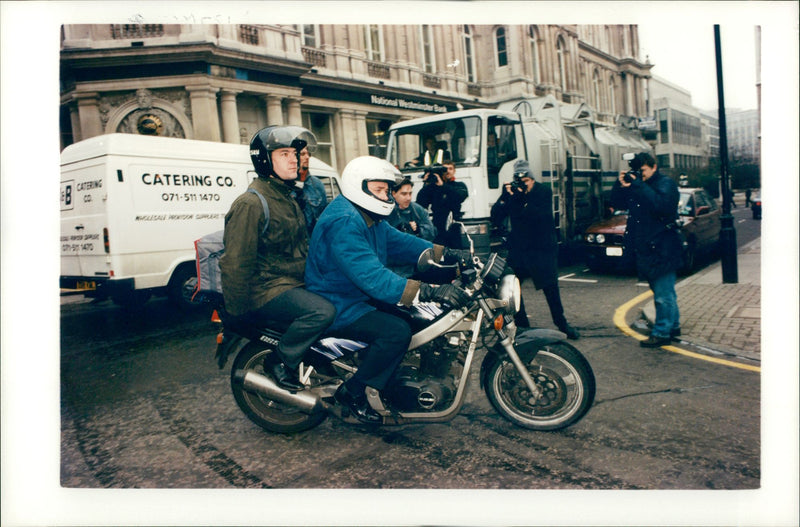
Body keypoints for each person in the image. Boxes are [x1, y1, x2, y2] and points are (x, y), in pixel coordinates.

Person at [305, 156, 471, 423]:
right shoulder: (346, 221)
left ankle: (389, 378)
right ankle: (354, 391)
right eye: (379, 190)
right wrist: (430, 291)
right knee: (396, 332)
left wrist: (449, 253)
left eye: (386, 190)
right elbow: (374, 278)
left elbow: (402, 242)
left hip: (355, 294)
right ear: (359, 186)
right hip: (339, 300)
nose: (386, 196)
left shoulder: (366, 216)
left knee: (413, 318)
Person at [219, 126, 336, 390]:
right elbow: (236, 264)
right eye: (284, 153)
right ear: (264, 159)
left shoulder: (286, 195)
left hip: (291, 281)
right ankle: (281, 361)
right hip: (267, 289)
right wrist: (237, 314)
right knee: (321, 312)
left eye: (294, 153)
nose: (294, 158)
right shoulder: (250, 204)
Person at [491, 159, 579, 340]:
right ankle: (523, 325)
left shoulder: (543, 191)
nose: (524, 185)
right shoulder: (513, 194)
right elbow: (496, 216)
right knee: (512, 286)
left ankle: (562, 323)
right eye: (521, 181)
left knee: (550, 288)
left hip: (542, 249)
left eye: (527, 181)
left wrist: (524, 196)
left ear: (532, 179)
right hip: (520, 250)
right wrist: (504, 197)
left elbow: (538, 217)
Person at [611, 152, 682, 347]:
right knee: (664, 291)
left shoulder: (665, 184)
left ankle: (662, 333)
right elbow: (616, 203)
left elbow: (661, 206)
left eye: (642, 171)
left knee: (662, 294)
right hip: (649, 248)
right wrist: (620, 186)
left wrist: (638, 185)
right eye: (637, 171)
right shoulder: (641, 186)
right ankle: (673, 326)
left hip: (663, 247)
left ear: (654, 167)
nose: (639, 175)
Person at [416, 160, 469, 246]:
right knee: (438, 255)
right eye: (445, 169)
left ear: (454, 171)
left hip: (453, 227)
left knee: (455, 254)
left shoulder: (459, 185)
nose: (447, 171)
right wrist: (426, 184)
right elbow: (421, 203)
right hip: (437, 226)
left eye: (450, 169)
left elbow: (459, 197)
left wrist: (442, 185)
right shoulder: (434, 188)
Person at [295, 145, 328, 233]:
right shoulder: (285, 185)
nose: (307, 157)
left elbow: (324, 218)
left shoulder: (317, 184)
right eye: (302, 154)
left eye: (308, 154)